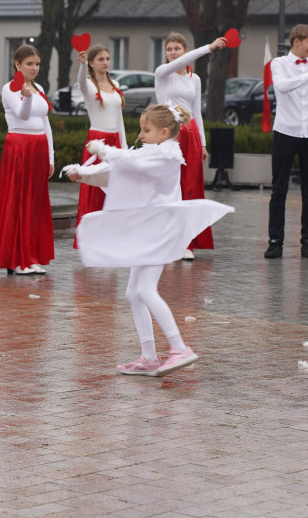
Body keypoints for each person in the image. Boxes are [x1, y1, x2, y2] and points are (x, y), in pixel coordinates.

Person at [65, 104, 233, 376]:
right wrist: (83, 174)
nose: (140, 135)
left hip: (160, 233)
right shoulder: (151, 153)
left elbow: (128, 162)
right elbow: (120, 173)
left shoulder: (166, 156)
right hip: (151, 231)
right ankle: (149, 357)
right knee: (134, 293)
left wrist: (103, 149)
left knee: (144, 290)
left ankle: (180, 348)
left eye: (146, 130)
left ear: (164, 132)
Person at [264, 24, 308, 261]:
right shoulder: (279, 64)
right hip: (285, 131)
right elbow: (281, 87)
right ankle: (275, 242)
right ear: (296, 41)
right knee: (279, 189)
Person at [155, 32, 227, 260]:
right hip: (169, 135)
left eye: (177, 48)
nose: (173, 52)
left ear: (185, 50)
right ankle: (167, 240)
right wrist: (210, 47)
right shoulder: (162, 73)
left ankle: (187, 242)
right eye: (169, 49)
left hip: (191, 134)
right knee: (169, 189)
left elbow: (197, 112)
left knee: (189, 188)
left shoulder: (194, 79)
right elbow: (178, 64)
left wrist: (203, 143)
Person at [0, 44, 55, 275]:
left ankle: (32, 256)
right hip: (19, 146)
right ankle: (16, 259)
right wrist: (26, 99)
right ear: (17, 64)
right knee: (18, 200)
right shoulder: (10, 88)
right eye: (29, 64)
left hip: (38, 147)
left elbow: (46, 122)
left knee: (35, 202)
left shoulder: (40, 87)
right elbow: (22, 114)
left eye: (37, 64)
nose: (34, 68)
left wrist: (51, 156)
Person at [73, 45, 127, 240]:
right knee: (95, 189)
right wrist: (82, 65)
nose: (105, 62)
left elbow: (119, 118)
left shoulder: (116, 86)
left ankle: (110, 236)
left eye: (107, 59)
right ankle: (91, 237)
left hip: (114, 141)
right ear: (93, 63)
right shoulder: (89, 86)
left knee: (113, 190)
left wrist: (124, 146)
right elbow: (80, 83)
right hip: (97, 141)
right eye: (101, 59)